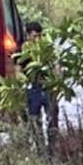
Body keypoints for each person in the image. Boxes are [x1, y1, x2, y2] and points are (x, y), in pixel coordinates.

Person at [18, 21, 58, 155]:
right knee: (35, 121)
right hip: (32, 89)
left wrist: (57, 80)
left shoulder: (47, 48)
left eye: (40, 36)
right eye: (34, 36)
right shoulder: (24, 50)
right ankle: (40, 150)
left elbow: (56, 65)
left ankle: (52, 150)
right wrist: (23, 83)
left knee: (52, 118)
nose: (37, 39)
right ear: (28, 35)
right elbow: (18, 69)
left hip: (47, 86)